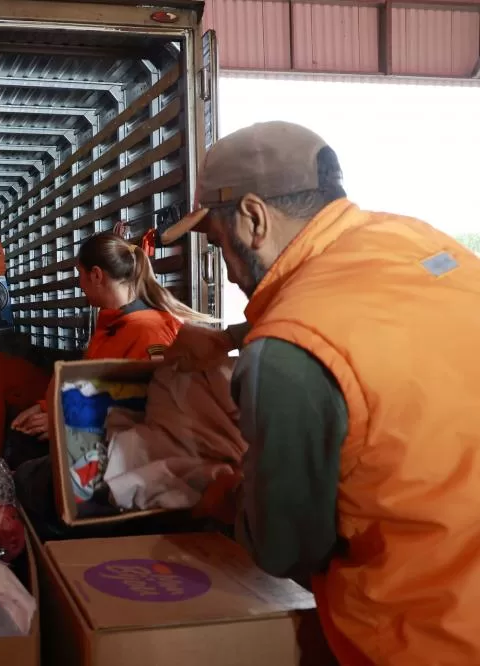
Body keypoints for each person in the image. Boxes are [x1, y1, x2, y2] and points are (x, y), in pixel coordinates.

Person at [163, 120, 480, 665]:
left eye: (219, 245)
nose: (229, 270)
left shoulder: (286, 357)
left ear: (253, 219)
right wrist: (230, 338)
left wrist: (228, 502)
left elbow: (286, 548)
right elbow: (370, 316)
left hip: (425, 639)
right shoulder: (420, 243)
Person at [11, 231, 212, 440]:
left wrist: (63, 421)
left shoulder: (149, 332)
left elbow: (149, 411)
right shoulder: (112, 326)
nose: (80, 285)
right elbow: (93, 386)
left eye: (80, 274)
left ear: (96, 275)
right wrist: (46, 408)